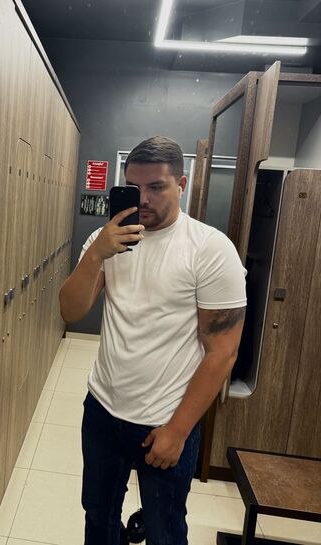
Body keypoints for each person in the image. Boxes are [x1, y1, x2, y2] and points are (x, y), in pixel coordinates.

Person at [59, 136, 246, 545]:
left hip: (165, 418)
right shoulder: (106, 242)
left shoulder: (210, 250)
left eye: (156, 187)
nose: (143, 198)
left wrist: (178, 431)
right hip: (102, 410)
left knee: (165, 531)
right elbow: (70, 311)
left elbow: (222, 352)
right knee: (98, 517)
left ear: (181, 184)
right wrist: (96, 255)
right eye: (133, 186)